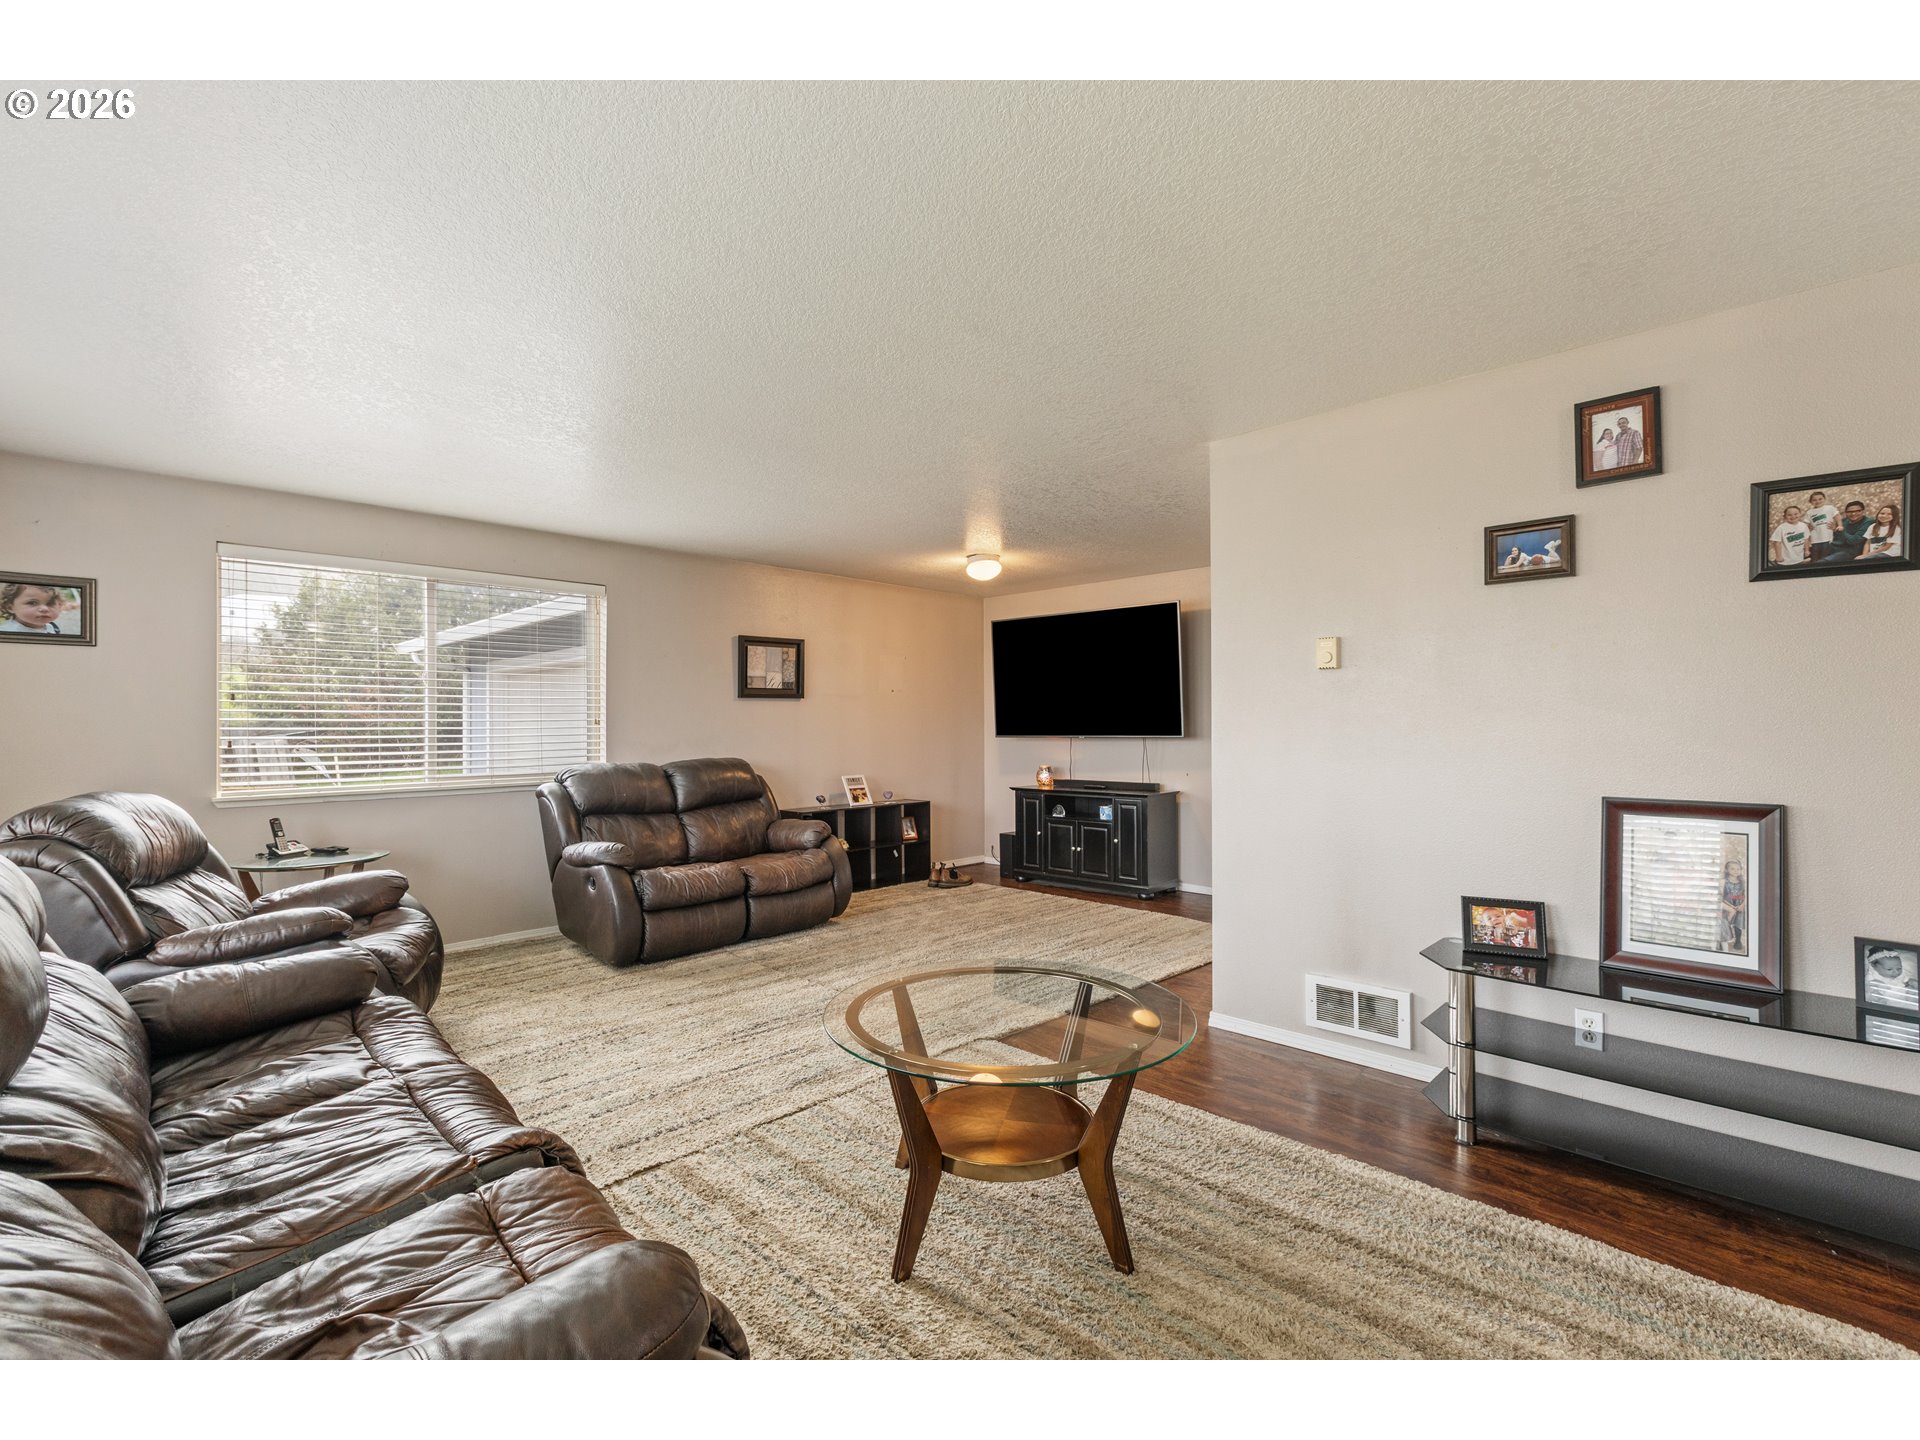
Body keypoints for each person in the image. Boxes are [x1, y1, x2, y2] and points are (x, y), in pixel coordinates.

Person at [0, 582, 66, 636]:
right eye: (32, 603)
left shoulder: (52, 628)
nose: (44, 609)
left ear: (59, 606)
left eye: (50, 603)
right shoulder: (7, 632)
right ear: (10, 607)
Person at [1719, 857, 1748, 955]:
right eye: (1732, 869)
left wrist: (1742, 905)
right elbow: (1721, 896)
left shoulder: (1743, 882)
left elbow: (1746, 895)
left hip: (1740, 905)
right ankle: (1724, 938)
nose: (1736, 871)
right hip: (1728, 904)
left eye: (1738, 869)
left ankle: (1738, 940)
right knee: (1726, 922)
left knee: (1738, 922)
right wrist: (1730, 906)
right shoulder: (1724, 881)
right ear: (1727, 870)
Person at [1803, 490, 1839, 561]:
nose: (1817, 501)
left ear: (1824, 499)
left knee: (1825, 556)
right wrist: (1808, 528)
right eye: (1814, 500)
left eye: (1820, 499)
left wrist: (1839, 525)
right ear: (1810, 502)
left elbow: (1837, 516)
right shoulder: (1809, 512)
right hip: (1815, 538)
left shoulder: (1829, 508)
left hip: (1827, 537)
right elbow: (1805, 524)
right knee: (1815, 557)